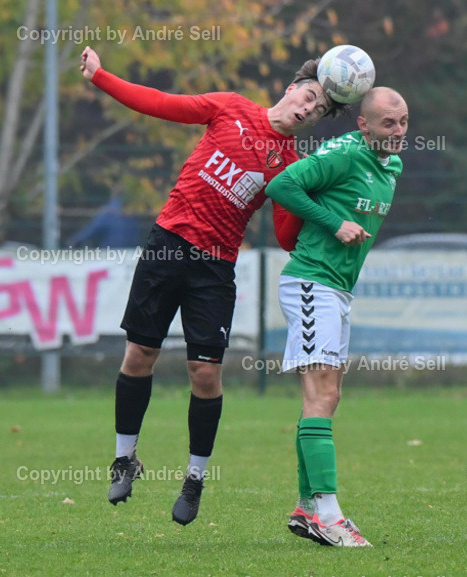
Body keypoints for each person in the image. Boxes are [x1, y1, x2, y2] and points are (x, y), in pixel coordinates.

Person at [79, 45, 345, 526]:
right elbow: (160, 102)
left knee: (204, 374)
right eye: (307, 97)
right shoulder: (231, 107)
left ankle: (195, 478)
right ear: (290, 90)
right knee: (139, 355)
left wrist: (315, 195)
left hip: (215, 268)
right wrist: (102, 76)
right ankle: (125, 458)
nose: (307, 109)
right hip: (166, 247)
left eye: (318, 110)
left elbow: (286, 236)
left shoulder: (290, 164)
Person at [266, 87, 408, 547]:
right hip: (311, 281)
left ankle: (308, 507)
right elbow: (282, 185)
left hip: (336, 289)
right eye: (388, 123)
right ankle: (327, 512)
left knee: (328, 396)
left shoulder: (393, 164)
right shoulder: (344, 151)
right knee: (320, 391)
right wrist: (334, 221)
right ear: (363, 125)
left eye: (404, 121)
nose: (399, 131)